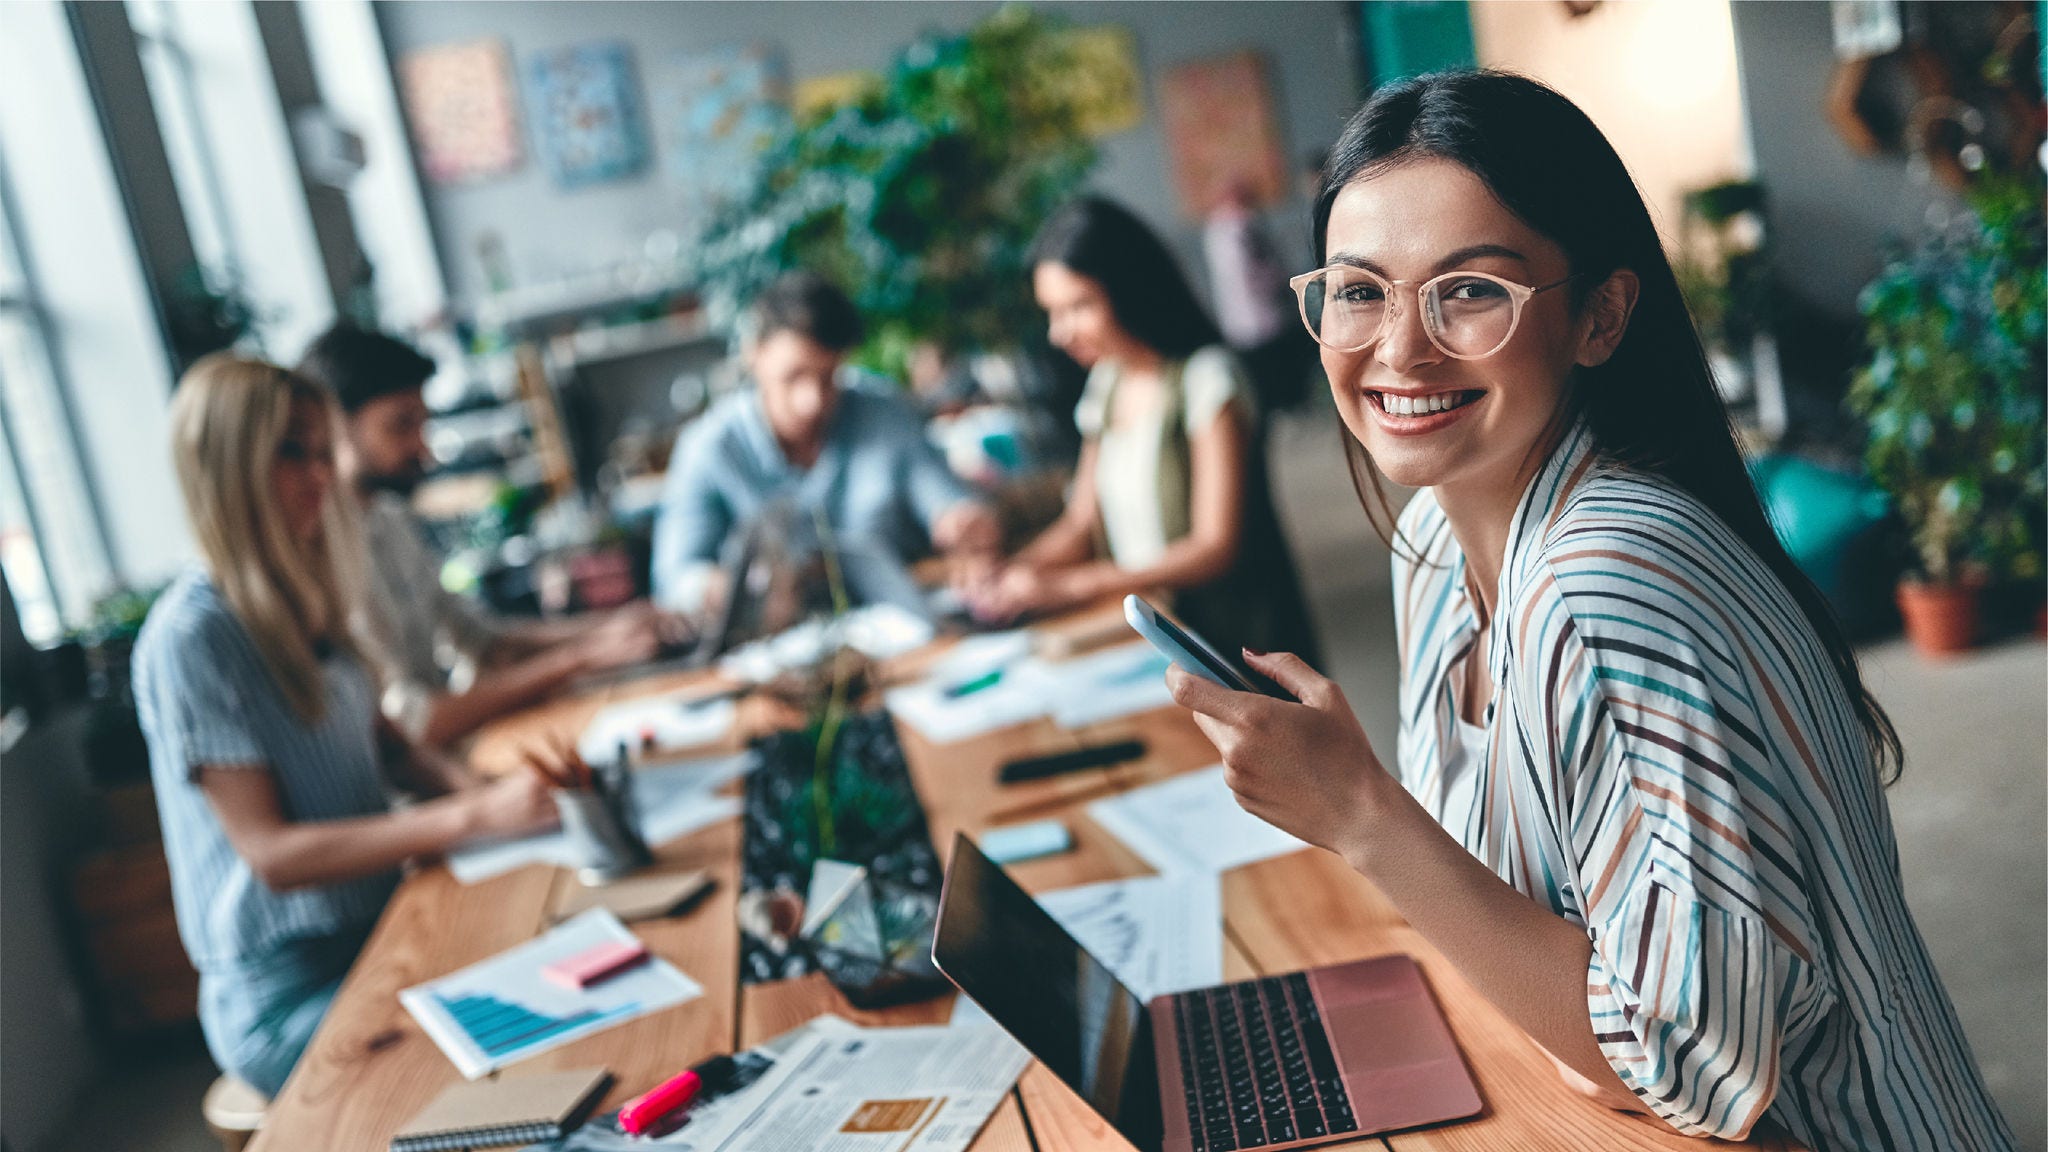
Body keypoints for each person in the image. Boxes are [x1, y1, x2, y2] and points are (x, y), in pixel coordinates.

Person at [1167, 72, 2013, 1151]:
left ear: (1599, 317)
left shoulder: (1607, 575)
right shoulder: (1430, 537)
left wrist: (1361, 817)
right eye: (1357, 289)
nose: (1397, 348)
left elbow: (1691, 1072)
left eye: (1468, 290)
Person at [133, 356, 559, 1097]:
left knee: (548, 977)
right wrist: (473, 814)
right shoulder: (191, 636)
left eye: (322, 451)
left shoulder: (314, 589)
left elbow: (393, 753)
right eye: (291, 451)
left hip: (377, 936)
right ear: (229, 465)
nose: (321, 475)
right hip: (286, 996)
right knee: (512, 1055)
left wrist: (489, 796)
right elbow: (273, 855)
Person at [970, 196, 1319, 669]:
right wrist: (1013, 573)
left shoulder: (1208, 379)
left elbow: (1214, 546)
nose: (1059, 333)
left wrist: (1075, 585)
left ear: (1129, 288)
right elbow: (1081, 522)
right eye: (1052, 311)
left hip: (1234, 647)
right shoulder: (1107, 382)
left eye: (1078, 306)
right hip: (1155, 643)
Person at [297, 324, 664, 747]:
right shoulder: (322, 555)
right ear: (334, 426)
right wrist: (579, 658)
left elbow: (481, 641)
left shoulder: (392, 518)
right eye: (400, 426)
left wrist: (613, 628)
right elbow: (413, 722)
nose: (424, 448)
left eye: (422, 423)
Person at [650, 271, 999, 616]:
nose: (812, 402)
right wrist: (718, 589)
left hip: (901, 630)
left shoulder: (884, 413)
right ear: (753, 354)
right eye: (793, 377)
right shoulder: (708, 448)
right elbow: (674, 577)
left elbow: (945, 499)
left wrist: (962, 522)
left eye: (828, 377)